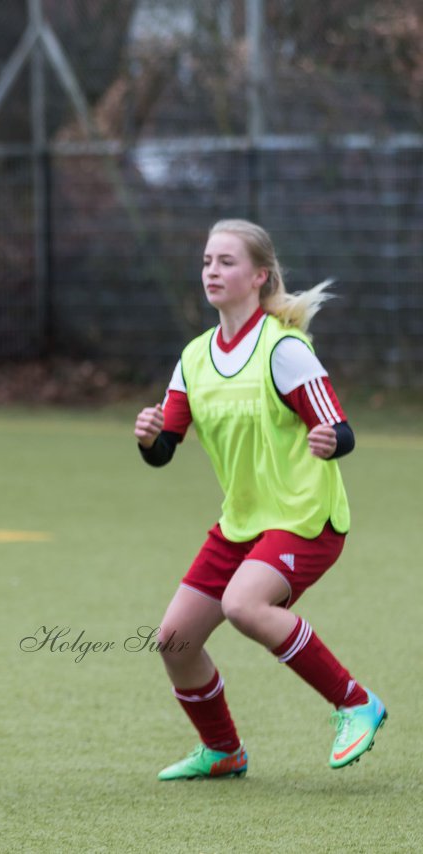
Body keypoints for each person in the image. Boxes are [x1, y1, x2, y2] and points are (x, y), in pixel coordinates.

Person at [134, 218, 387, 781]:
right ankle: (224, 752)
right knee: (174, 641)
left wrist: (329, 439)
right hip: (243, 522)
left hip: (305, 516)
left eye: (226, 262)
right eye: (206, 261)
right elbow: (164, 449)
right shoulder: (194, 357)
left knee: (244, 605)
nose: (212, 271)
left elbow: (339, 430)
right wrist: (150, 436)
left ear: (259, 276)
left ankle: (356, 703)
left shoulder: (283, 349)